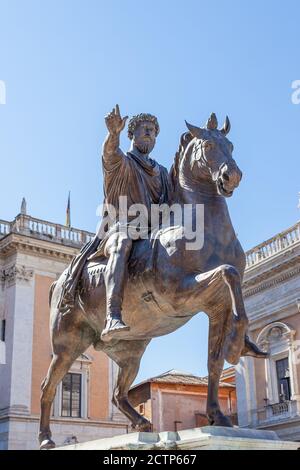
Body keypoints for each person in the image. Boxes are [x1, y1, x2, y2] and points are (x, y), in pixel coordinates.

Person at [57, 105, 170, 342]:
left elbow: (171, 204)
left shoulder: (161, 171)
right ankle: (112, 314)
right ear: (132, 134)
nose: (150, 134)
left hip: (152, 231)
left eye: (154, 131)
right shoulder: (122, 162)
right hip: (121, 227)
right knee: (122, 244)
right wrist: (112, 135)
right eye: (145, 129)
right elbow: (109, 153)